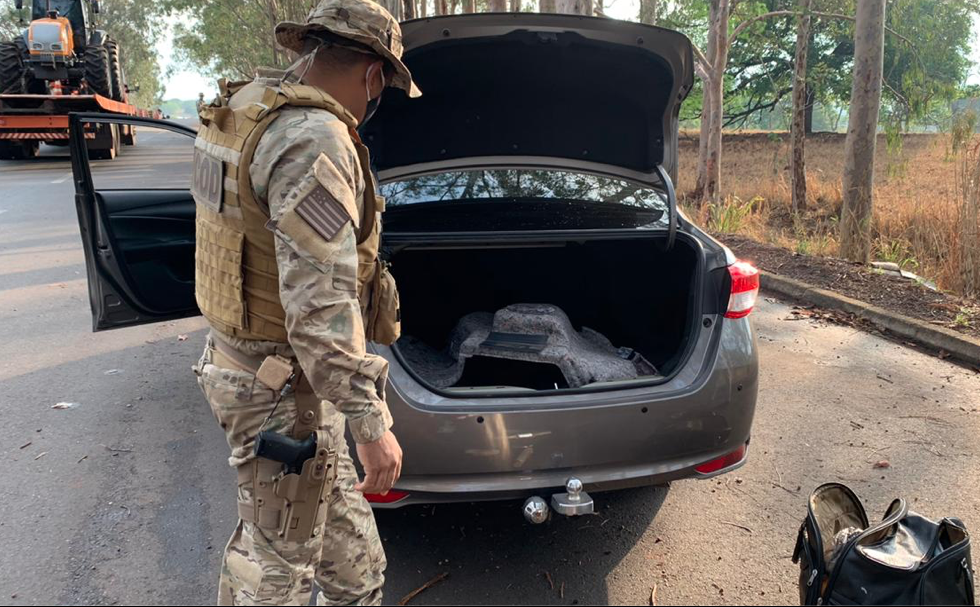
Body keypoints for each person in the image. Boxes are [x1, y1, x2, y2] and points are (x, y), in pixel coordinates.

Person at [189, 0, 420, 603]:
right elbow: (320, 308)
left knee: (355, 563)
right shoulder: (313, 139)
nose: (375, 102)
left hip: (264, 374)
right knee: (273, 571)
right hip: (282, 395)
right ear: (373, 74)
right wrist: (371, 423)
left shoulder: (243, 109)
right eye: (382, 88)